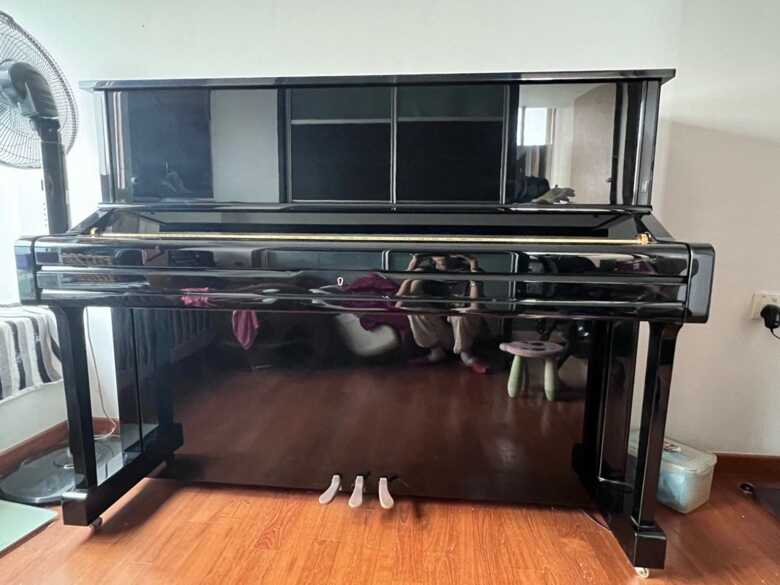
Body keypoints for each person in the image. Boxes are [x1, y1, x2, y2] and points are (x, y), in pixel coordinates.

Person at [395, 253, 489, 374]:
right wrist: (413, 266)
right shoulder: (424, 272)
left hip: (467, 334)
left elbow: (475, 307)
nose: (442, 255)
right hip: (441, 333)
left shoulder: (470, 271)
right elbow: (400, 305)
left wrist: (473, 262)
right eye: (437, 251)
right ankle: (436, 352)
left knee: (464, 313)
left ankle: (467, 356)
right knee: (415, 309)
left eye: (447, 250)